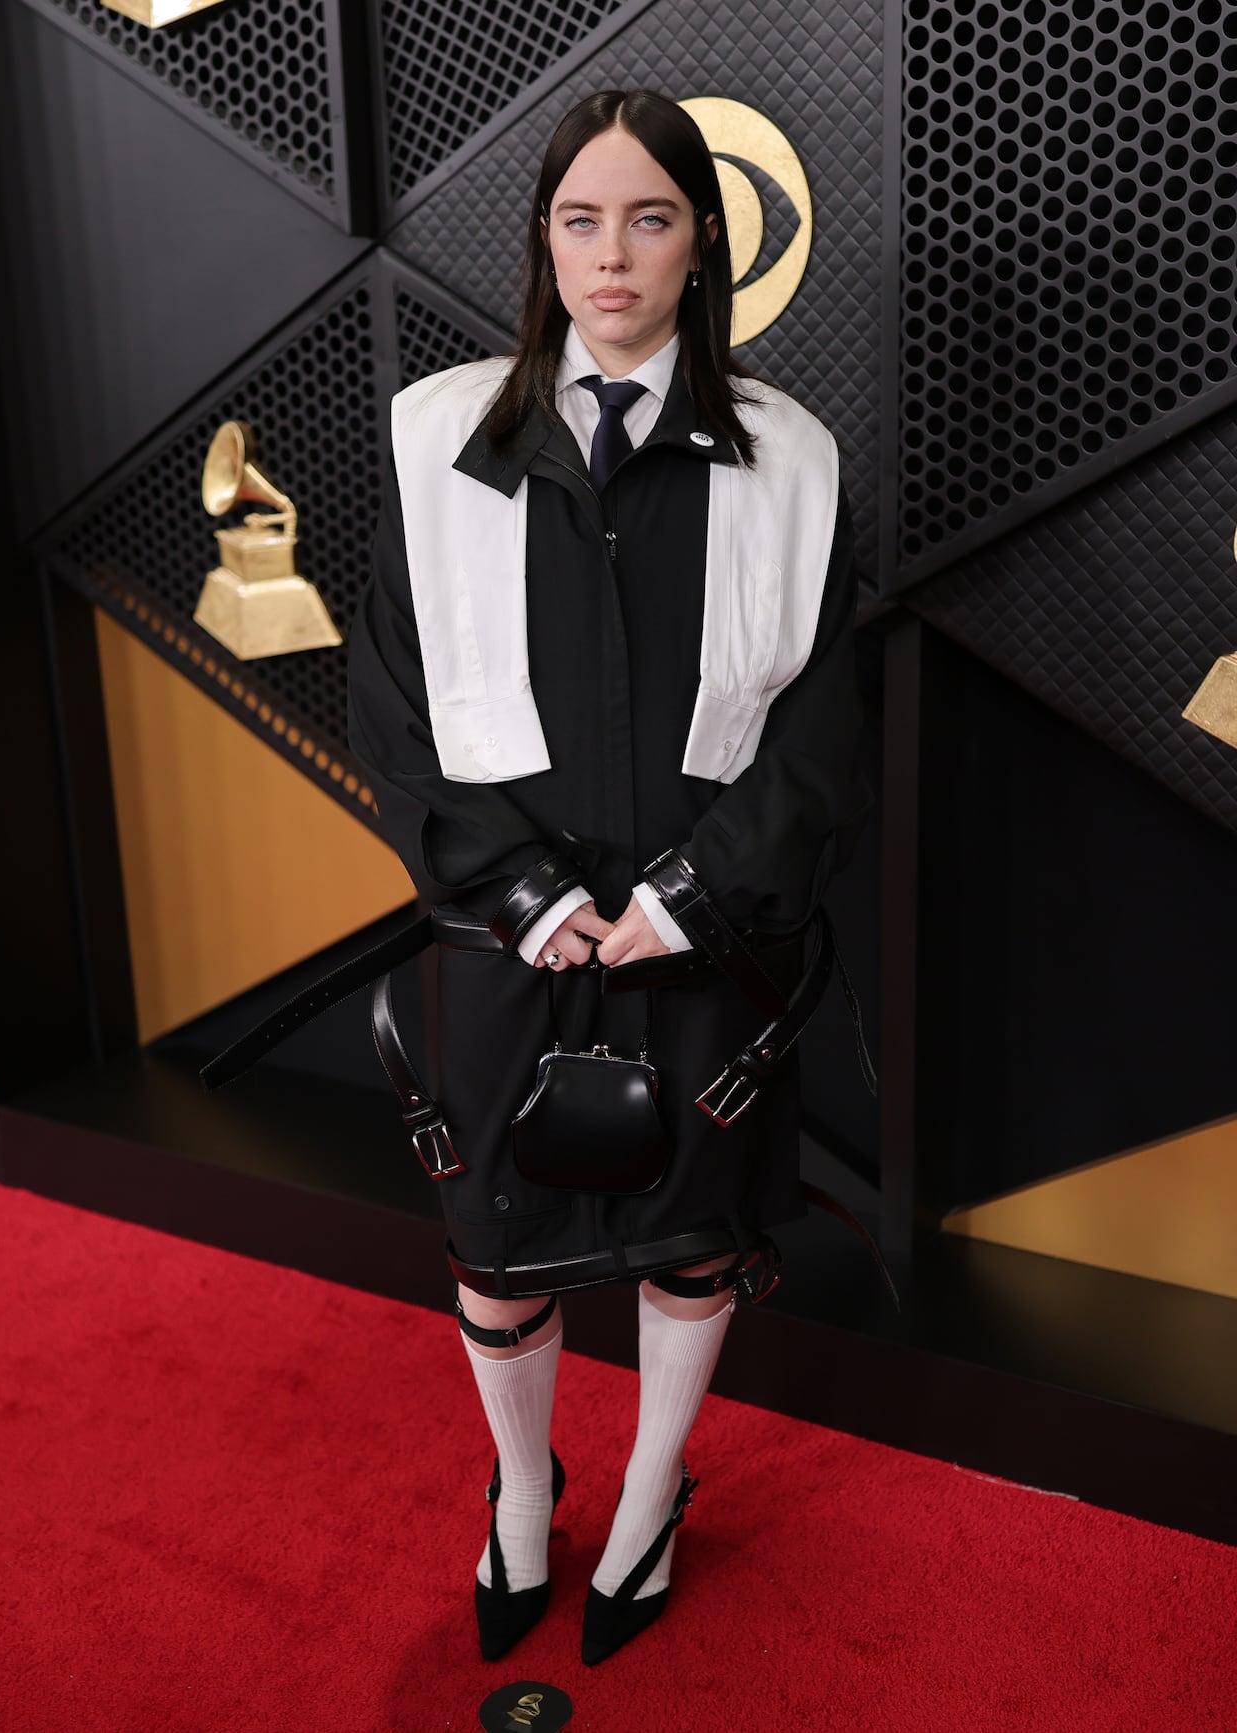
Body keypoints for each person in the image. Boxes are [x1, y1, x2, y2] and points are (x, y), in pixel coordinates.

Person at [345, 87, 871, 1667]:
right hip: (508, 935)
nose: (612, 256)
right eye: (580, 220)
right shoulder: (443, 434)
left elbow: (827, 721)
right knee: (495, 1251)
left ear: (703, 242)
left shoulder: (791, 458)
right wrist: (514, 890)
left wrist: (691, 900)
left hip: (704, 940)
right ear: (543, 241)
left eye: (649, 218)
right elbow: (389, 695)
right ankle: (522, 1488)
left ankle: (650, 1494)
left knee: (693, 1241)